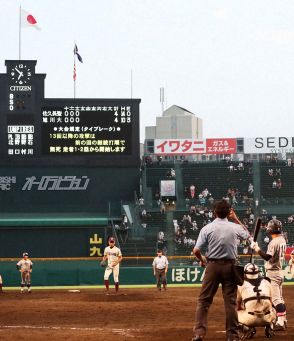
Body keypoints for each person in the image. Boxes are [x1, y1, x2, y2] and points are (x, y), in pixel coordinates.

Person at [191, 199, 249, 341]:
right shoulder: (234, 227)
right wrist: (235, 219)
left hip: (212, 266)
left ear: (214, 212)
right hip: (230, 267)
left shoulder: (207, 228)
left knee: (204, 301)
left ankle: (199, 333)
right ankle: (232, 336)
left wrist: (202, 260)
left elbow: (196, 250)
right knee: (230, 302)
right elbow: (248, 235)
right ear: (229, 212)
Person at [250, 219, 287, 331]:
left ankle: (280, 323)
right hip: (280, 272)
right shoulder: (283, 239)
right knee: (280, 298)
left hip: (273, 273)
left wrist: (257, 248)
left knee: (276, 300)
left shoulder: (274, 242)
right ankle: (283, 319)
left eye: (269, 227)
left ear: (272, 229)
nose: (267, 228)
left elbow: (267, 257)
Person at [237, 263, 276, 339]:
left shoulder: (241, 284)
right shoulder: (267, 282)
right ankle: (270, 327)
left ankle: (247, 329)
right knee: (274, 308)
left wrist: (244, 308)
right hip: (267, 318)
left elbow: (237, 305)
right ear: (258, 272)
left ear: (245, 273)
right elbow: (271, 303)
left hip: (250, 319)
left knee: (233, 313)